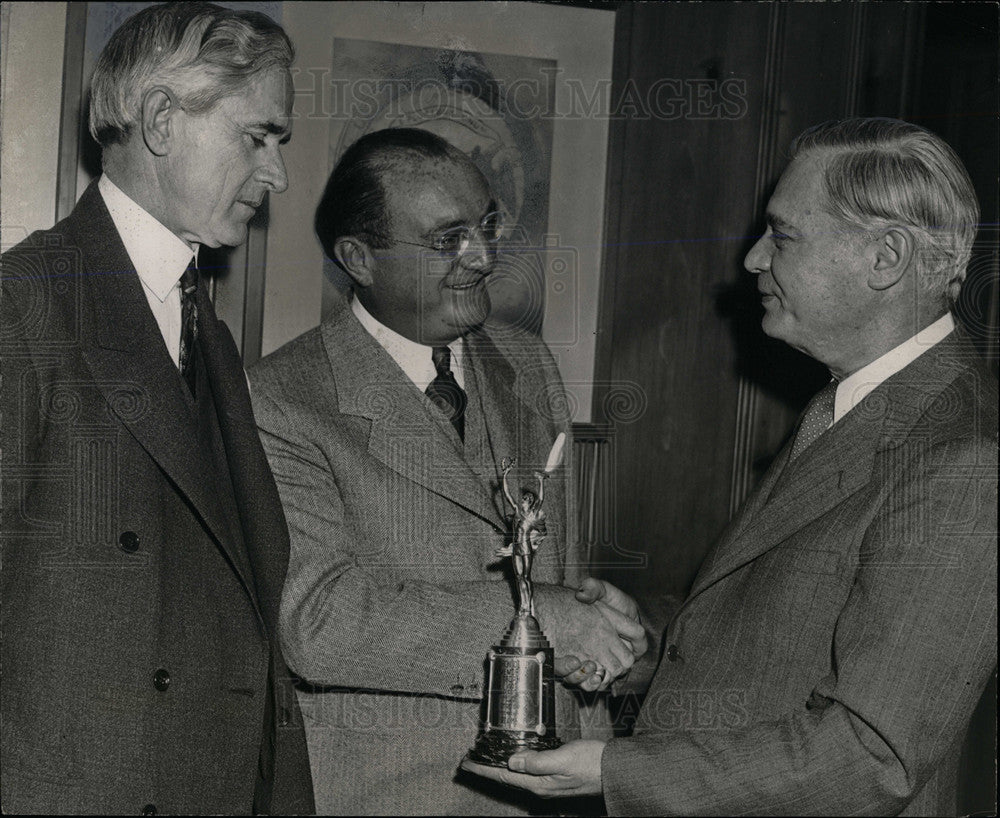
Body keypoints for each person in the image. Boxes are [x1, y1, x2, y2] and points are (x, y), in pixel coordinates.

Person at [463, 117, 998, 816]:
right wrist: (646, 639)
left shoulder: (963, 461)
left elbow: (871, 756)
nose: (751, 260)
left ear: (885, 258)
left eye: (783, 235)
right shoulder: (856, 400)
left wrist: (615, 772)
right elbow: (787, 630)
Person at [248, 127, 646, 814]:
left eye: (488, 226)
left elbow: (553, 569)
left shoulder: (529, 364)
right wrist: (544, 620)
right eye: (448, 239)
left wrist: (595, 636)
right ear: (358, 258)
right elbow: (318, 623)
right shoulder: (281, 398)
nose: (486, 257)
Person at [0, 4, 313, 814]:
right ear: (163, 119)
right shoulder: (23, 305)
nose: (277, 174)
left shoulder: (201, 325)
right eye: (258, 137)